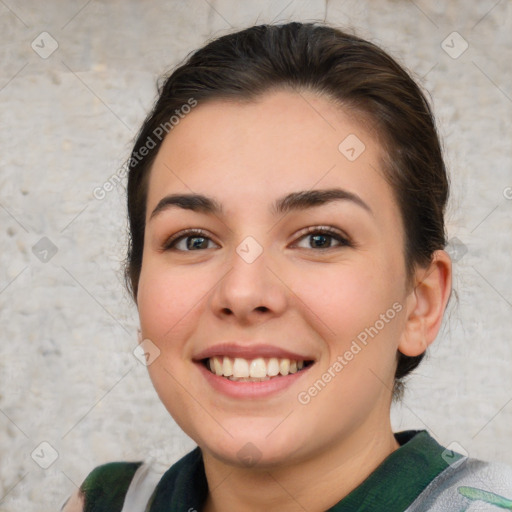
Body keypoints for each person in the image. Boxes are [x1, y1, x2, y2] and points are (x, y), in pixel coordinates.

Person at [61, 21, 512, 512]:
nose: (243, 291)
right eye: (193, 240)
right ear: (138, 284)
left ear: (420, 304)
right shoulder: (107, 503)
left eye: (319, 238)